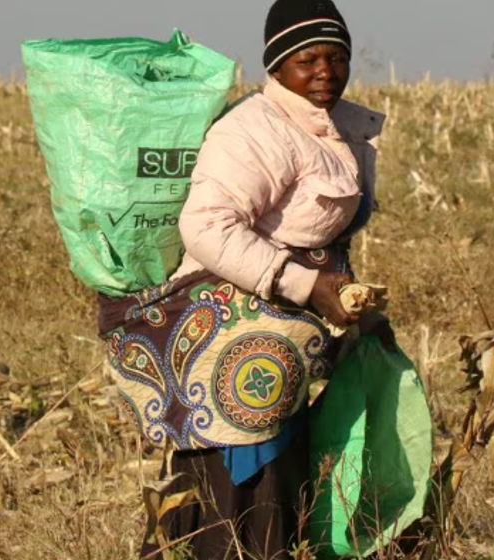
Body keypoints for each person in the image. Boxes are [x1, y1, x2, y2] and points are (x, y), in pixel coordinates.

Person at [97, 0, 387, 558]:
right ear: (276, 66)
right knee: (244, 466)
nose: (325, 72)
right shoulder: (253, 131)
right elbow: (206, 227)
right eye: (307, 60)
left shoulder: (336, 128)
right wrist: (306, 286)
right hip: (230, 331)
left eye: (336, 58)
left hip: (278, 337)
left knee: (280, 458)